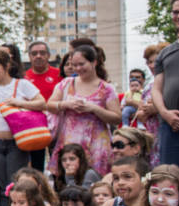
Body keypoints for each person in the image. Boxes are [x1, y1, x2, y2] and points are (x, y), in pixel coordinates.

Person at [0, 48, 45, 196]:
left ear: (6, 66)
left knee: (16, 184)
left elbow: (41, 103)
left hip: (17, 142)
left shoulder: (22, 84)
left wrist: (19, 103)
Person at [47, 45, 121, 176]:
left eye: (82, 64)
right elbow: (50, 105)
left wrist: (94, 108)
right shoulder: (66, 83)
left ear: (94, 62)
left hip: (96, 142)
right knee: (69, 180)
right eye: (74, 65)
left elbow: (116, 117)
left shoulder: (106, 88)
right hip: (70, 141)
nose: (78, 68)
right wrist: (66, 104)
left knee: (95, 180)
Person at [152, 0, 179, 169]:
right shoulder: (166, 52)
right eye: (175, 12)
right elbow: (157, 89)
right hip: (171, 128)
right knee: (172, 179)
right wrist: (165, 113)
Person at [24, 41, 61, 171]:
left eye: (42, 53)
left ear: (48, 55)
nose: (38, 56)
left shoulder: (59, 75)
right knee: (36, 165)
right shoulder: (24, 77)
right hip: (34, 127)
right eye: (34, 53)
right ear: (29, 56)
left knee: (59, 163)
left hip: (57, 126)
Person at [136, 42, 170, 165]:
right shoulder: (148, 88)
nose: (152, 65)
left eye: (156, 61)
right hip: (153, 140)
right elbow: (140, 116)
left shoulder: (176, 83)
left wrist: (157, 108)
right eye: (149, 62)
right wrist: (145, 111)